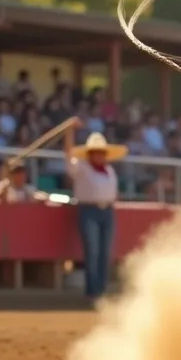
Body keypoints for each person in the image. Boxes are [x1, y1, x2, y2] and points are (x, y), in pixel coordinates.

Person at [63, 118, 125, 299]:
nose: (99, 156)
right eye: (96, 152)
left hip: (107, 210)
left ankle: (101, 289)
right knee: (93, 251)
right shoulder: (82, 168)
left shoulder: (109, 171)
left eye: (102, 153)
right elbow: (68, 155)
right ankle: (93, 290)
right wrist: (69, 133)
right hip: (89, 210)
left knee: (105, 252)